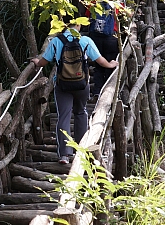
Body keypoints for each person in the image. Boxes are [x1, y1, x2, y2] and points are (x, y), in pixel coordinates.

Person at [31, 21, 118, 163]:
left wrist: (36, 61)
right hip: (81, 84)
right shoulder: (85, 40)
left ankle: (64, 154)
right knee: (81, 112)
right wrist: (111, 64)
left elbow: (43, 62)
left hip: (62, 85)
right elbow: (100, 61)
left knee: (63, 117)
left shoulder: (56, 41)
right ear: (78, 26)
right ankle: (81, 148)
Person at [86, 0, 119, 94]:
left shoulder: (93, 1)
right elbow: (126, 15)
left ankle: (97, 91)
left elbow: (87, 17)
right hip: (111, 38)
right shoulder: (115, 3)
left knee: (98, 64)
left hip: (96, 37)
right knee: (111, 63)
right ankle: (109, 92)